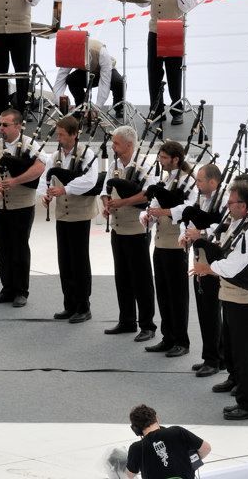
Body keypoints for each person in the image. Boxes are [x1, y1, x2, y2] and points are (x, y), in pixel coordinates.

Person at [190, 181, 248, 420]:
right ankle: (235, 379)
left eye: (232, 202)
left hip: (246, 300)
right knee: (232, 345)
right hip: (233, 296)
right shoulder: (237, 222)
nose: (227, 205)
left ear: (243, 206)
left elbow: (233, 266)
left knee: (245, 354)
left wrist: (208, 268)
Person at [0, 108, 45, 307]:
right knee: (2, 248)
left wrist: (16, 180)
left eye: (5, 125)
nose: (0, 128)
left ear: (18, 126)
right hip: (0, 206)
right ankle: (7, 288)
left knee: (19, 249)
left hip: (22, 206)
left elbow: (39, 168)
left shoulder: (31, 144)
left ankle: (21, 291)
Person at [132, 0, 198, 125]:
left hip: (173, 29)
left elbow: (190, 3)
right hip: (155, 29)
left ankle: (177, 110)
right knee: (153, 71)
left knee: (173, 71)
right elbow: (145, 1)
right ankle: (157, 109)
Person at [100, 126, 156, 341]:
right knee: (122, 276)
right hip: (118, 228)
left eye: (116, 143)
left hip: (137, 230)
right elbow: (106, 190)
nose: (112, 147)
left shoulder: (145, 167)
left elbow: (147, 195)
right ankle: (127, 320)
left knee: (141, 278)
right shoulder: (114, 165)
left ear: (129, 145)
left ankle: (147, 325)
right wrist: (107, 205)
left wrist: (122, 202)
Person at [142, 141, 196, 357]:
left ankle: (182, 340)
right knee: (163, 292)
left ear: (176, 159)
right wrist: (149, 215)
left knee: (177, 295)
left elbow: (190, 208)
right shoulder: (166, 180)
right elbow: (156, 204)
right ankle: (168, 336)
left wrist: (164, 212)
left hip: (177, 243)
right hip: (161, 242)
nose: (160, 161)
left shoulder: (189, 182)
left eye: (164, 158)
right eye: (160, 157)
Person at [42, 116, 99, 322]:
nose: (58, 138)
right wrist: (45, 194)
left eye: (62, 134)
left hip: (80, 214)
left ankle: (84, 306)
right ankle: (69, 303)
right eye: (58, 134)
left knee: (79, 261)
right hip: (62, 215)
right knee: (65, 260)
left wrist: (65, 189)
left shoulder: (87, 154)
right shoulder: (55, 155)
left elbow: (89, 181)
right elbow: (45, 177)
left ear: (74, 135)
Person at [176, 163, 225, 377]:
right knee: (205, 311)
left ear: (213, 182)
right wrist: (185, 234)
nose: (197, 184)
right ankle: (214, 356)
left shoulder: (222, 200)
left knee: (210, 312)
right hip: (198, 258)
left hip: (212, 263)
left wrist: (201, 233)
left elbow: (224, 227)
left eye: (200, 180)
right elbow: (189, 221)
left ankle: (213, 359)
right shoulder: (201, 198)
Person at [125, 404, 211, 478]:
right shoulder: (177, 431)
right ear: (157, 419)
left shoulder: (136, 448)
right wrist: (189, 462)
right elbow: (206, 448)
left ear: (136, 429)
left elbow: (129, 475)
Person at [52, 37, 125, 118]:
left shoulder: (101, 51)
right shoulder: (70, 53)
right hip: (85, 72)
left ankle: (119, 107)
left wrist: (97, 108)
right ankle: (81, 107)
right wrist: (61, 103)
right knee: (71, 79)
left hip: (103, 71)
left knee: (119, 82)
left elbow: (105, 82)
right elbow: (60, 80)